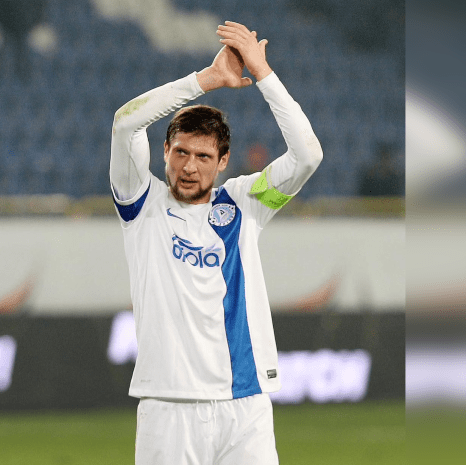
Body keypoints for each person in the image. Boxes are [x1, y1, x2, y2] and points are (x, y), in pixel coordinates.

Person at [109, 21, 323, 465]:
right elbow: (125, 122)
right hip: (168, 406)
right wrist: (206, 80)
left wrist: (263, 73)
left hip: (245, 406)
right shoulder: (141, 204)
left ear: (223, 161)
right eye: (181, 152)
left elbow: (308, 156)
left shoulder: (247, 203)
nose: (189, 167)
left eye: (204, 156)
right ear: (165, 150)